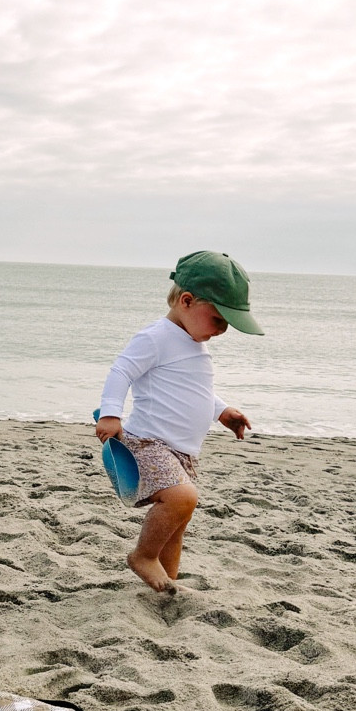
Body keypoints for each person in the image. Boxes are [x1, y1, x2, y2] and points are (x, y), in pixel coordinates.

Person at [95, 251, 260, 593]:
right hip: (149, 443)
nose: (223, 330)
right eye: (218, 319)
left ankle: (166, 585)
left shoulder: (192, 343)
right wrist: (111, 412)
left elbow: (194, 390)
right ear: (187, 301)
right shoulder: (156, 337)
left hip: (181, 451)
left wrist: (222, 411)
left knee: (177, 521)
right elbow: (121, 370)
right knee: (183, 498)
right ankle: (143, 556)